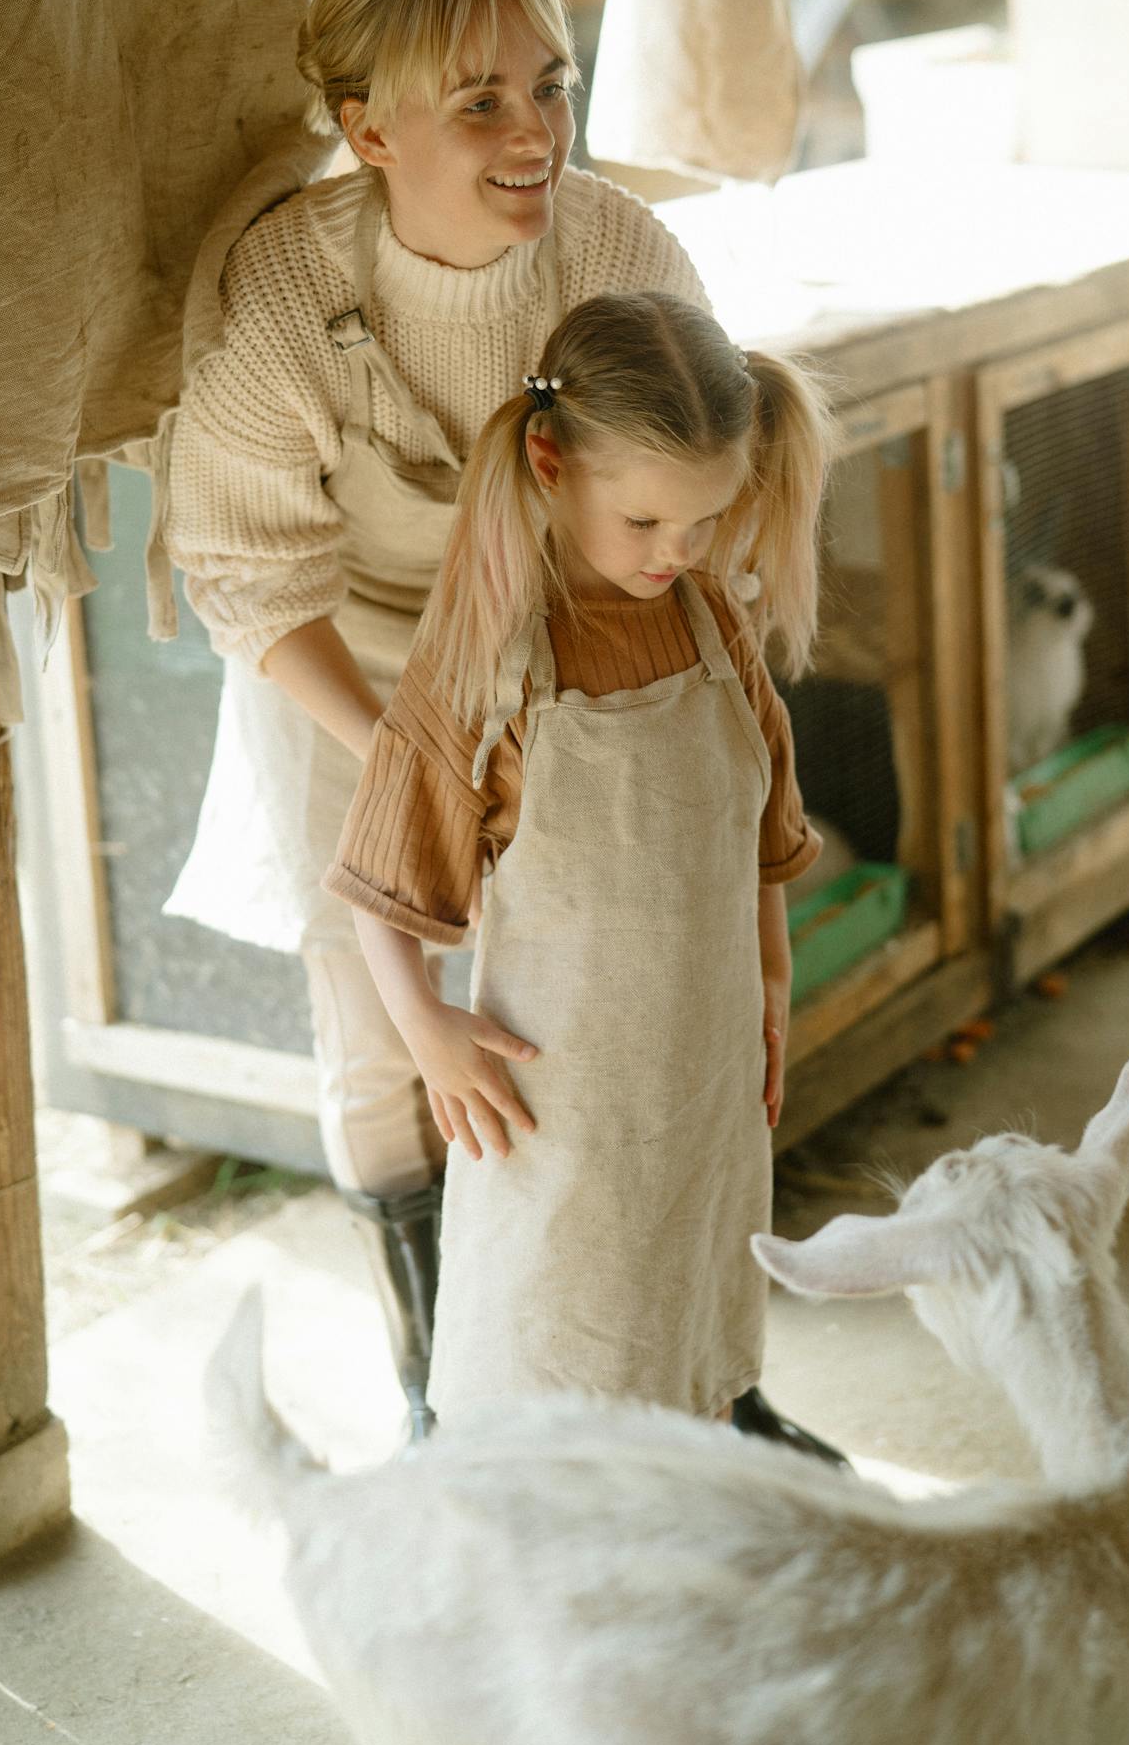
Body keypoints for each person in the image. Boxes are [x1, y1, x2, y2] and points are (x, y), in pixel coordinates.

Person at [164, 0, 839, 1459]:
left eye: (551, 85)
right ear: (367, 129)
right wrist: (425, 742)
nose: (534, 131)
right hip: (350, 661)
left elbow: (679, 478)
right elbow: (249, 572)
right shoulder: (282, 297)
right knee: (387, 1008)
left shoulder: (616, 252)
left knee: (615, 1016)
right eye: (481, 103)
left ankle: (699, 1384)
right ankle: (442, 1399)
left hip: (571, 645)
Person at [324, 291, 847, 1447]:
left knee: (691, 1347)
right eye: (648, 522)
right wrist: (423, 1025)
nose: (680, 553)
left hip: (702, 1085)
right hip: (558, 1114)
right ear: (553, 463)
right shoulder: (493, 664)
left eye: (704, 523)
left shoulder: (713, 626)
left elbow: (754, 825)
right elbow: (377, 877)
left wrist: (770, 974)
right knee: (555, 1378)